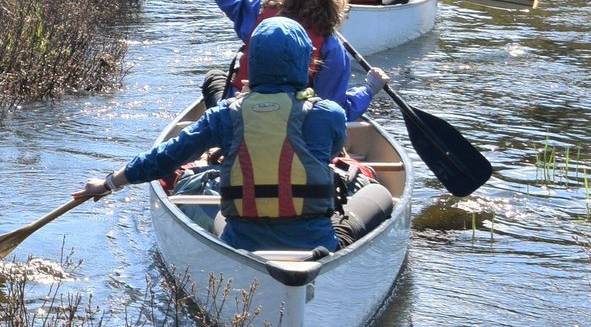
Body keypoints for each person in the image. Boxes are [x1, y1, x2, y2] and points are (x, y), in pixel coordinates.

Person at [74, 18, 392, 254]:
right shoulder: (329, 114)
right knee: (381, 196)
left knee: (215, 213)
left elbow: (165, 158)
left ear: (253, 62)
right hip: (314, 245)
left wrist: (108, 183)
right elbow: (333, 149)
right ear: (304, 62)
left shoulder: (225, 114)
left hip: (244, 245)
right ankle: (332, 255)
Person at [207, 0, 389, 119]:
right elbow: (335, 111)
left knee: (214, 77)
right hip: (293, 128)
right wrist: (369, 89)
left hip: (239, 111)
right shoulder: (331, 47)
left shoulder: (258, 7)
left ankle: (216, 128)